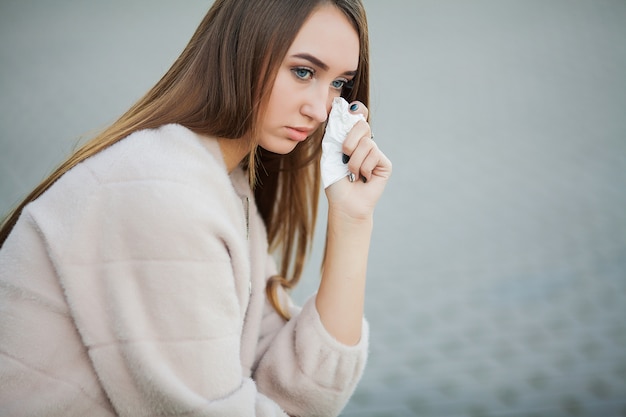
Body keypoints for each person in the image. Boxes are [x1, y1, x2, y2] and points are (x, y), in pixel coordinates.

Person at [0, 0, 392, 416]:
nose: (319, 109)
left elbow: (296, 394)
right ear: (242, 50)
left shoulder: (220, 183)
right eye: (302, 72)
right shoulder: (162, 193)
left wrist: (352, 220)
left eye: (339, 85)